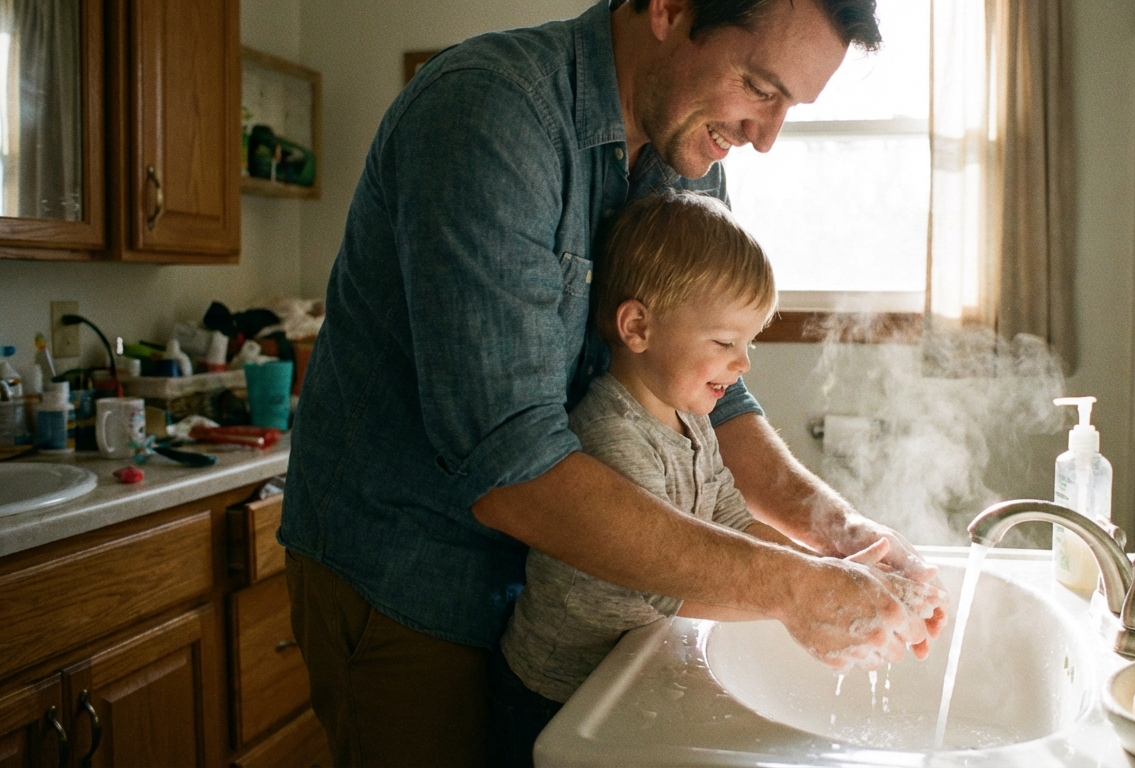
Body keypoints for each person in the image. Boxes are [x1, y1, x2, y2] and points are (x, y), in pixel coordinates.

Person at [279, 0, 947, 765]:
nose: (766, 137)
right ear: (668, 8)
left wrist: (841, 534)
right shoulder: (488, 114)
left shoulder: (687, 155)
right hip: (410, 576)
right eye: (762, 88)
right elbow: (514, 472)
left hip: (554, 582)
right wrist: (797, 589)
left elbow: (716, 397)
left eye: (790, 105)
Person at [491, 190, 913, 764]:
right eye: (724, 342)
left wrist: (828, 570)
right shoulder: (610, 433)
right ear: (637, 326)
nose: (743, 365)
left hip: (626, 666)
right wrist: (806, 597)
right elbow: (668, 581)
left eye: (749, 342)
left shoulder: (693, 419)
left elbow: (731, 521)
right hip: (556, 690)